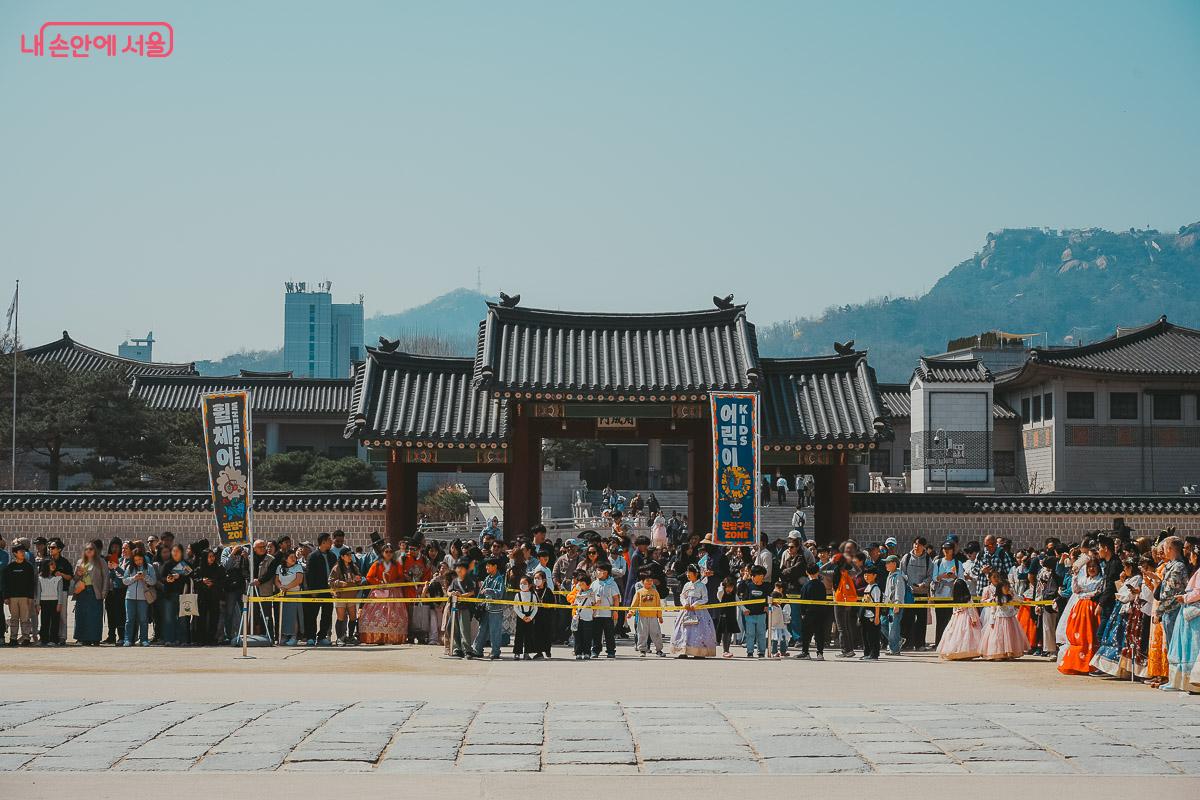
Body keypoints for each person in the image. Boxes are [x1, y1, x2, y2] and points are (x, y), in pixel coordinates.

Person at [1058, 554, 1103, 675]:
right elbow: (1075, 590)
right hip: (1080, 608)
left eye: (1094, 566)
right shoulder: (1084, 579)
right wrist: (1075, 575)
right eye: (1089, 567)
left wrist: (1085, 594)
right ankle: (1077, 663)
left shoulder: (1100, 579)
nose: (1092, 569)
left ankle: (1091, 664)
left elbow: (1098, 592)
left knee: (1091, 634)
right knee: (1078, 635)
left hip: (1091, 607)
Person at [360, 543, 408, 645]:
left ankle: (393, 637)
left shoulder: (397, 564)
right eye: (386, 551)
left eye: (391, 552)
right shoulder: (377, 564)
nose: (389, 554)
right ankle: (377, 637)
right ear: (382, 553)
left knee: (393, 615)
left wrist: (395, 583)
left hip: (394, 592)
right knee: (376, 615)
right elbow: (369, 577)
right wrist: (379, 583)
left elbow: (401, 577)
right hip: (379, 591)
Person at [978, 572, 1027, 661]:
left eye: (1008, 587)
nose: (1007, 589)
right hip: (999, 619)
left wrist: (1013, 595)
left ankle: (1010, 653)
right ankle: (999, 653)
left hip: (1010, 619)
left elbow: (1021, 600)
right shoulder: (997, 598)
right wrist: (992, 620)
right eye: (1005, 587)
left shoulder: (1011, 597)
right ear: (1000, 588)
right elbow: (993, 609)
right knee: (999, 636)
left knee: (1011, 636)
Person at [672, 564, 717, 658]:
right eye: (687, 572)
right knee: (684, 630)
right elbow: (682, 596)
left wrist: (695, 604)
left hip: (699, 612)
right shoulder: (686, 585)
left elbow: (705, 599)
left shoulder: (701, 586)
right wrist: (685, 604)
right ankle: (683, 650)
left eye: (689, 572)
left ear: (696, 574)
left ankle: (699, 652)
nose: (687, 574)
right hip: (687, 611)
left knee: (699, 630)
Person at [303, 532, 336, 647]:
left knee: (327, 614)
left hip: (328, 591)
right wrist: (312, 591)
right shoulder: (313, 556)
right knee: (312, 615)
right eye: (329, 540)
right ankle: (311, 637)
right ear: (323, 542)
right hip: (315, 591)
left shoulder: (332, 556)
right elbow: (309, 575)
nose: (331, 542)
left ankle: (322, 637)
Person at [900, 537, 933, 650]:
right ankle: (906, 643)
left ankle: (920, 644)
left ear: (924, 546)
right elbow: (902, 573)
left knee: (921, 620)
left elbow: (930, 576)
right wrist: (907, 584)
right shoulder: (907, 557)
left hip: (922, 594)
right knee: (907, 619)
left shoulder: (928, 560)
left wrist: (923, 584)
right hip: (909, 593)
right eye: (915, 544)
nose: (916, 546)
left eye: (919, 544)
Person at [936, 579, 982, 661]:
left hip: (957, 616)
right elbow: (971, 609)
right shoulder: (968, 598)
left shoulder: (955, 598)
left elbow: (955, 609)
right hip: (966, 616)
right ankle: (967, 652)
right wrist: (973, 619)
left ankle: (956, 652)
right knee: (966, 635)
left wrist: (954, 615)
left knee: (956, 635)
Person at [472, 556, 507, 659]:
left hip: (495, 610)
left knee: (494, 631)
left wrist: (489, 590)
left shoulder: (500, 578)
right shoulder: (488, 578)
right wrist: (477, 603)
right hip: (486, 608)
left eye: (488, 565)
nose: (486, 567)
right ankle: (477, 650)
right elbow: (481, 593)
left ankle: (495, 652)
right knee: (482, 629)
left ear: (495, 566)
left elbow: (500, 594)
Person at [159, 544, 193, 647]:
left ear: (182, 552)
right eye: (173, 551)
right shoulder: (168, 564)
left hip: (183, 594)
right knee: (169, 618)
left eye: (177, 551)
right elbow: (162, 578)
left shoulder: (186, 564)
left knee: (183, 618)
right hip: (169, 595)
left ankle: (182, 639)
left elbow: (191, 578)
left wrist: (180, 576)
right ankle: (169, 639)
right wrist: (168, 579)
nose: (175, 553)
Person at [121, 549, 156, 647]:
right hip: (130, 597)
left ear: (143, 558)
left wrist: (145, 577)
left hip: (143, 597)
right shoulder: (130, 567)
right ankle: (127, 639)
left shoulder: (149, 567)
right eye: (136, 560)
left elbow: (153, 581)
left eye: (140, 559)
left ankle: (144, 639)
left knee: (143, 619)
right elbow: (124, 581)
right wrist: (134, 578)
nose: (138, 562)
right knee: (129, 620)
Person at [3, 541, 37, 646]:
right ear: (14, 553)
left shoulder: (28, 566)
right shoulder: (10, 567)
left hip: (25, 597)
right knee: (14, 618)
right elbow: (6, 583)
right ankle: (13, 639)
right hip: (13, 597)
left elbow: (32, 583)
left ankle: (26, 638)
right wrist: (6, 596)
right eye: (20, 551)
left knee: (25, 619)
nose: (22, 553)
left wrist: (31, 597)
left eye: (24, 551)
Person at [329, 548, 362, 646]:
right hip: (340, 596)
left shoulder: (354, 567)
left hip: (351, 595)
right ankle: (340, 637)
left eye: (350, 555)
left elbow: (360, 579)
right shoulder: (337, 568)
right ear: (342, 557)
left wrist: (358, 579)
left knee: (353, 617)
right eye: (347, 555)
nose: (349, 557)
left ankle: (350, 636)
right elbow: (330, 581)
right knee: (340, 617)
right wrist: (339, 583)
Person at [628, 570, 664, 657]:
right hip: (642, 617)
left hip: (653, 617)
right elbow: (634, 604)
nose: (649, 582)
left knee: (656, 633)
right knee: (642, 633)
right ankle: (642, 650)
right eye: (647, 581)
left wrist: (660, 616)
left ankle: (659, 650)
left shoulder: (655, 592)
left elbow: (658, 605)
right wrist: (630, 612)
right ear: (642, 581)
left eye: (651, 581)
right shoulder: (639, 592)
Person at [798, 562, 829, 660]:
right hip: (821, 612)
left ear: (807, 572)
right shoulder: (821, 585)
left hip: (808, 613)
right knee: (820, 633)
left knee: (806, 633)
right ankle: (820, 653)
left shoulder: (806, 586)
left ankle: (805, 652)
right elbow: (824, 598)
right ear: (818, 572)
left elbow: (803, 600)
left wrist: (802, 613)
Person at [194, 549, 226, 645]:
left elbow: (223, 581)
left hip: (214, 596)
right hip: (202, 597)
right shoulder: (199, 569)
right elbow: (194, 581)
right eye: (210, 556)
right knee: (201, 619)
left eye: (213, 556)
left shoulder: (219, 568)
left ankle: (212, 639)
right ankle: (201, 639)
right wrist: (202, 581)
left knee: (214, 618)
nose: (212, 558)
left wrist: (212, 582)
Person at [447, 558, 477, 658]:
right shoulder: (454, 581)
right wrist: (452, 593)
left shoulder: (469, 580)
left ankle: (467, 650)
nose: (459, 570)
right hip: (455, 608)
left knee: (464, 629)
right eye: (458, 568)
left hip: (465, 608)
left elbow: (472, 592)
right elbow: (448, 591)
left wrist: (462, 596)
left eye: (461, 568)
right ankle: (457, 648)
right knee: (453, 627)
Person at [737, 565, 769, 659]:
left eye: (763, 576)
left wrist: (767, 606)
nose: (761, 578)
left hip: (761, 615)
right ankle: (750, 651)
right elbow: (739, 592)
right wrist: (743, 579)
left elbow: (769, 598)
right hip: (749, 615)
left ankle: (761, 652)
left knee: (761, 634)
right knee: (750, 634)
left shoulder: (766, 586)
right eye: (759, 575)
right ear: (753, 576)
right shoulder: (747, 585)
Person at [274, 550, 305, 646]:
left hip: (294, 594)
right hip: (283, 595)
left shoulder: (298, 567)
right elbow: (276, 580)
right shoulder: (280, 567)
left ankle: (294, 636)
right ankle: (284, 635)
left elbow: (299, 580)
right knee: (284, 616)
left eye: (294, 557)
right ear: (285, 559)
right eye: (291, 557)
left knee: (294, 616)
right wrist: (281, 587)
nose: (293, 558)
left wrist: (287, 587)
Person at [590, 562, 620, 659]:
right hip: (596, 614)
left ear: (606, 572)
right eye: (597, 570)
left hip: (608, 614)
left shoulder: (612, 583)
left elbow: (616, 598)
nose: (598, 572)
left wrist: (615, 611)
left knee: (609, 634)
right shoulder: (594, 584)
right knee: (596, 633)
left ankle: (611, 651)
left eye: (600, 570)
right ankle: (595, 650)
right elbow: (590, 597)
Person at [880, 555, 909, 655]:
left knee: (893, 627)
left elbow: (899, 591)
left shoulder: (898, 576)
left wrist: (897, 603)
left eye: (888, 562)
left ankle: (895, 649)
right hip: (888, 605)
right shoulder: (890, 574)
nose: (886, 564)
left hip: (895, 606)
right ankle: (898, 640)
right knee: (882, 624)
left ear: (894, 564)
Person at [511, 574, 538, 660]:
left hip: (530, 616)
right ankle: (517, 653)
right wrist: (522, 616)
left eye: (524, 583)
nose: (522, 585)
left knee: (528, 635)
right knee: (519, 635)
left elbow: (535, 608)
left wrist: (530, 617)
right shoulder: (517, 595)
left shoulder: (533, 595)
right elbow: (515, 607)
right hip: (521, 617)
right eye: (521, 583)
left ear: (530, 585)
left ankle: (527, 653)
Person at [859, 566, 883, 661]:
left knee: (873, 636)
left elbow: (877, 604)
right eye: (865, 575)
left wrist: (877, 617)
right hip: (865, 615)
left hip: (872, 616)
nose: (866, 577)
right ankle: (867, 653)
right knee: (865, 636)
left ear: (874, 576)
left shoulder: (876, 588)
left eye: (868, 575)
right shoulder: (867, 587)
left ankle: (874, 654)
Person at [571, 572, 597, 660]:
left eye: (582, 584)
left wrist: (594, 614)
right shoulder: (577, 593)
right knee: (577, 636)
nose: (580, 585)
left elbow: (595, 604)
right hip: (578, 618)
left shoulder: (591, 593)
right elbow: (574, 603)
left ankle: (587, 652)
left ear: (587, 584)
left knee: (587, 637)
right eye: (579, 583)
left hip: (588, 618)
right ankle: (578, 652)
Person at [530, 569, 555, 659]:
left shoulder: (548, 591)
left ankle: (547, 651)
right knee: (536, 634)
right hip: (535, 616)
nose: (536, 580)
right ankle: (539, 652)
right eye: (535, 578)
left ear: (544, 580)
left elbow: (553, 604)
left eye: (538, 578)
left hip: (546, 617)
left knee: (547, 634)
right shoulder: (532, 590)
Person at [714, 576, 740, 658]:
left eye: (731, 587)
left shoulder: (734, 595)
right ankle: (725, 650)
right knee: (725, 634)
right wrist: (721, 586)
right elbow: (719, 594)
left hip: (732, 616)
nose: (729, 589)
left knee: (730, 633)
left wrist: (744, 609)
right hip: (723, 616)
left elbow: (739, 603)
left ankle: (727, 649)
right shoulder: (722, 594)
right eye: (727, 587)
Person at [767, 590, 790, 658]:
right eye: (779, 599)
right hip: (774, 627)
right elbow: (768, 610)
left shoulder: (779, 606)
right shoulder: (772, 607)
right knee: (775, 640)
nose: (780, 601)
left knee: (783, 639)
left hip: (781, 626)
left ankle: (783, 651)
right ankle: (774, 652)